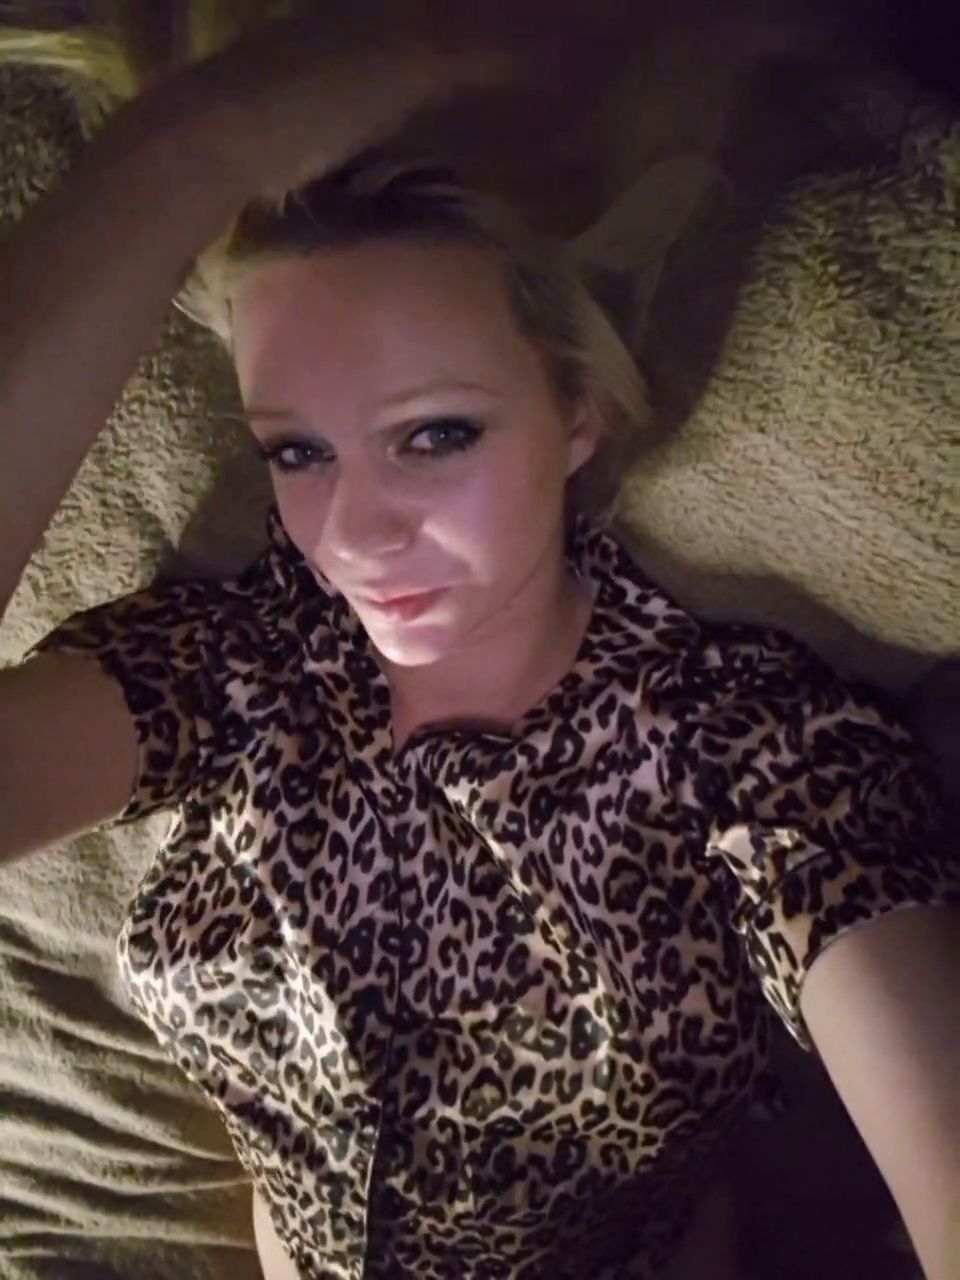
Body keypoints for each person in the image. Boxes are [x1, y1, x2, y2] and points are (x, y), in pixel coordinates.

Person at [0, 13, 958, 1280]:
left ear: (578, 411)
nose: (353, 532)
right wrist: (187, 150)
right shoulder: (229, 671)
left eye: (434, 434)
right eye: (298, 449)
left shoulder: (743, 749)